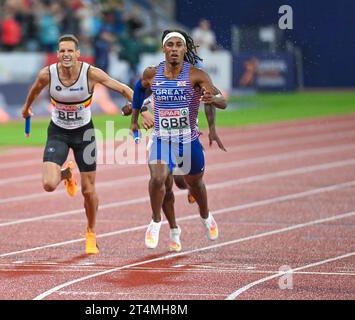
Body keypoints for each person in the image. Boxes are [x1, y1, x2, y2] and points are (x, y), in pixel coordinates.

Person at [21, 34, 134, 255]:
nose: (65, 55)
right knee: (48, 184)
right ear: (57, 54)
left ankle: (91, 232)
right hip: (58, 133)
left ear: (78, 53)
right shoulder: (48, 74)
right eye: (61, 51)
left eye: (70, 51)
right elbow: (35, 90)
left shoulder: (90, 73)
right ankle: (66, 174)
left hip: (84, 134)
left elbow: (122, 88)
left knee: (88, 190)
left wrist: (141, 108)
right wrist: (27, 108)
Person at [130, 29, 227, 252]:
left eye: (178, 45)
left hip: (188, 140)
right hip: (162, 139)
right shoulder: (152, 74)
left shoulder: (197, 75)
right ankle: (156, 222)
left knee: (193, 183)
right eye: (170, 45)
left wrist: (212, 124)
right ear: (163, 48)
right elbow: (138, 90)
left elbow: (219, 101)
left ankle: (206, 216)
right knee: (159, 178)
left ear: (185, 49)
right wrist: (134, 119)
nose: (174, 49)